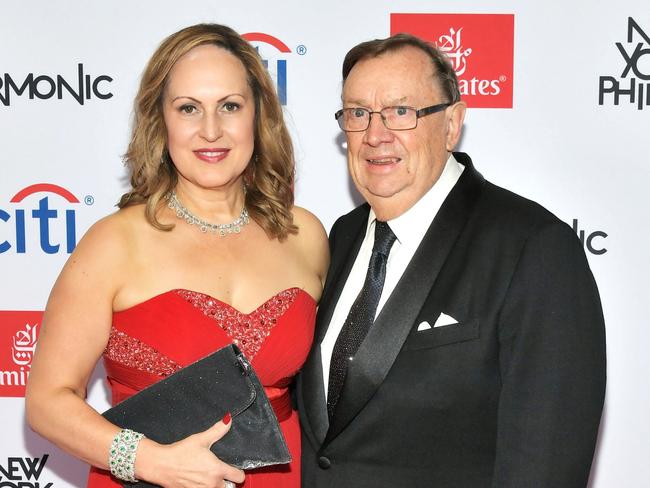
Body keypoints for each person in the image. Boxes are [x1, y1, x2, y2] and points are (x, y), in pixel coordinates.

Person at [25, 23, 328, 488]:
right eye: (189, 108)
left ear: (258, 115)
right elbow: (47, 401)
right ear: (160, 120)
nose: (211, 130)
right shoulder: (115, 242)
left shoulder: (304, 234)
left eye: (230, 106)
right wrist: (150, 461)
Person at [297, 33, 606, 488]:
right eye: (358, 113)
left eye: (401, 112)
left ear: (452, 123)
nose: (375, 135)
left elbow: (546, 464)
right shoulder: (340, 237)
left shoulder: (534, 247)